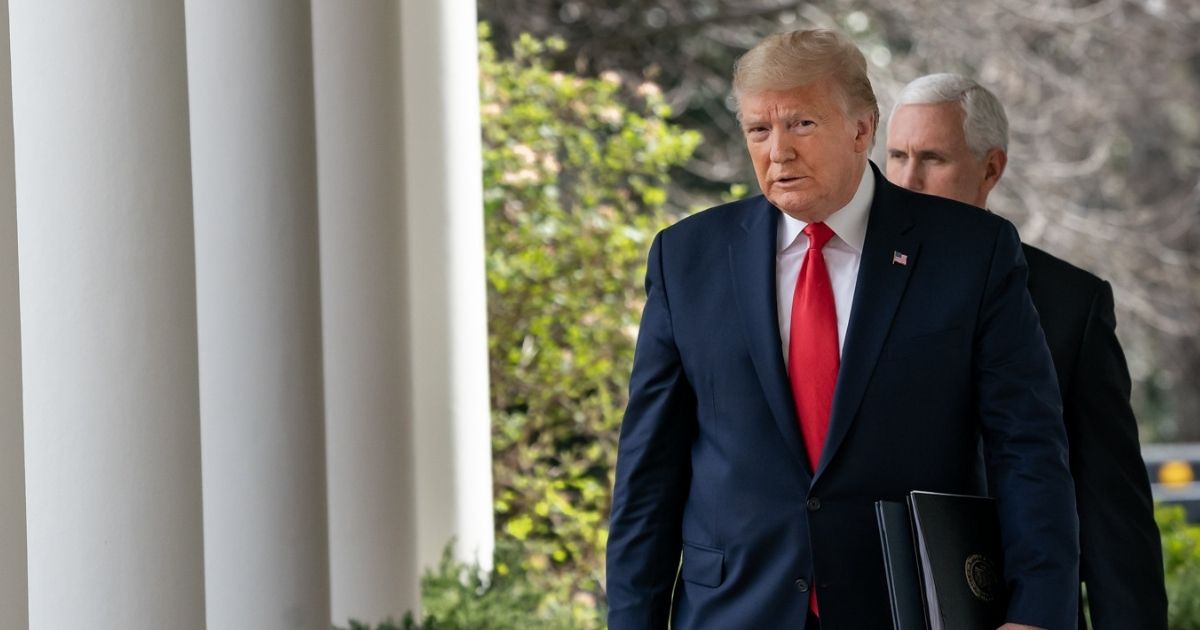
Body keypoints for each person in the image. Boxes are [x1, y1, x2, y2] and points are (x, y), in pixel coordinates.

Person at [606, 29, 1079, 630]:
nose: (777, 151)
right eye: (759, 129)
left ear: (862, 129)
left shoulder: (971, 252)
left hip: (909, 606)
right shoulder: (686, 257)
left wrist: (1038, 611)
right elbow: (649, 471)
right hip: (733, 608)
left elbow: (1028, 446)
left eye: (801, 124)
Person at [885, 72, 1168, 630]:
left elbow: (1113, 512)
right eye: (896, 157)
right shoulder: (841, 283)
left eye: (932, 159)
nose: (908, 180)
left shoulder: (1071, 304)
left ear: (992, 168)